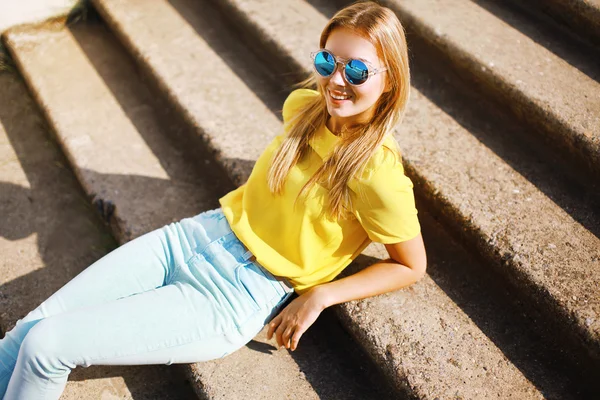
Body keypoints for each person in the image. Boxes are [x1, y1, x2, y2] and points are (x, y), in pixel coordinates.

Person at [0, 1, 427, 398]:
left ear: (390, 79)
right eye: (326, 61)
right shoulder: (304, 108)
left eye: (356, 71)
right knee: (22, 335)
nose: (335, 80)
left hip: (233, 295)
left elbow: (410, 265)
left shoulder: (378, 175)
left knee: (45, 347)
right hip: (195, 236)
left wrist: (320, 295)